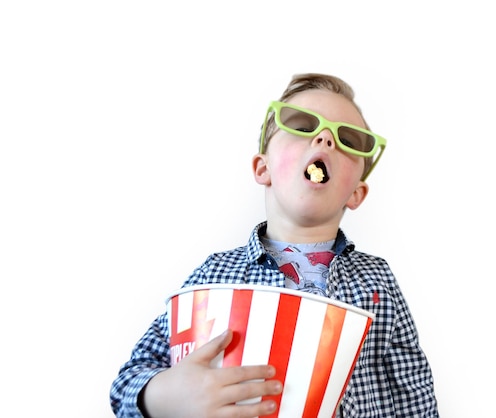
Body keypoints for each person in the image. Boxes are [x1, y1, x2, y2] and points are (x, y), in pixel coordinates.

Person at [110, 73, 439, 417]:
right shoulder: (215, 274)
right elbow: (130, 379)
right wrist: (166, 397)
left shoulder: (377, 280)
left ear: (356, 193)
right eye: (302, 126)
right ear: (262, 168)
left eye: (349, 140)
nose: (325, 139)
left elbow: (413, 394)